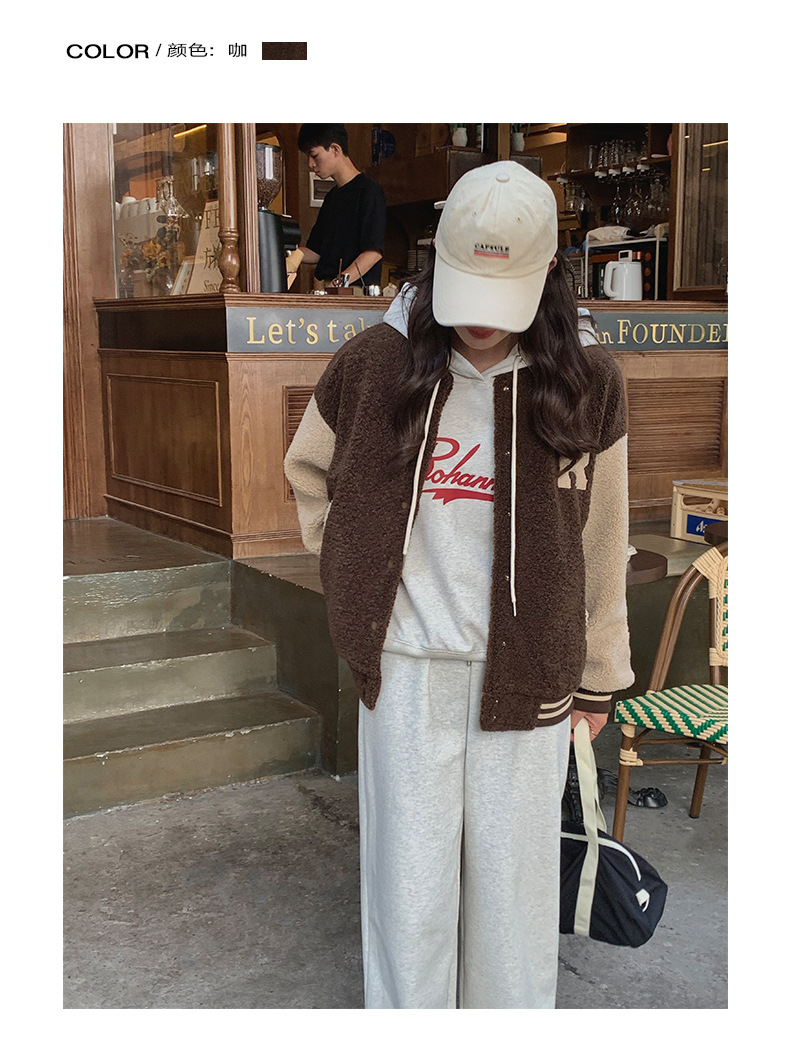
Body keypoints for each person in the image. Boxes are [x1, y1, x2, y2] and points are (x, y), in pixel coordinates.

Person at [284, 161, 634, 1009]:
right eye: (465, 287)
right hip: (406, 671)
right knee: (409, 895)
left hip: (530, 674)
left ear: (547, 275)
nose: (479, 319)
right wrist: (353, 578)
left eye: (502, 295)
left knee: (513, 903)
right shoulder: (375, 364)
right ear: (437, 260)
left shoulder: (586, 384)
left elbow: (602, 537)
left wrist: (599, 675)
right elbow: (309, 469)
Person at [286, 124, 387, 291]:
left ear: (335, 149)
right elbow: (317, 251)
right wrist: (297, 255)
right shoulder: (332, 197)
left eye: (314, 155)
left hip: (355, 292)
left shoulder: (369, 191)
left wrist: (338, 283)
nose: (310, 164)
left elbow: (373, 253)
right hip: (330, 288)